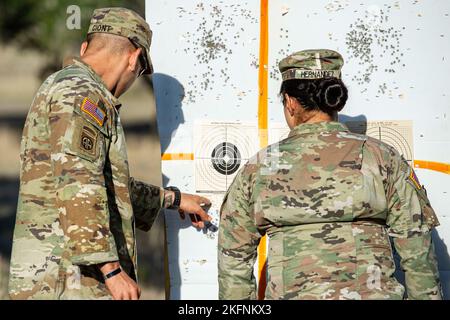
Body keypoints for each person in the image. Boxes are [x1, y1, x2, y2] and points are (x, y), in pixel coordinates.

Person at [8, 7, 211, 300]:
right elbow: (80, 184)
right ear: (133, 59)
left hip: (56, 276)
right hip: (70, 280)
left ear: (85, 47)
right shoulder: (83, 95)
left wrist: (173, 199)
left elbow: (101, 182)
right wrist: (112, 271)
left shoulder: (66, 86)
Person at [218, 49, 442, 300]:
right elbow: (417, 249)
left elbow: (234, 259)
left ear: (290, 102)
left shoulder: (258, 168)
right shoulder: (381, 157)